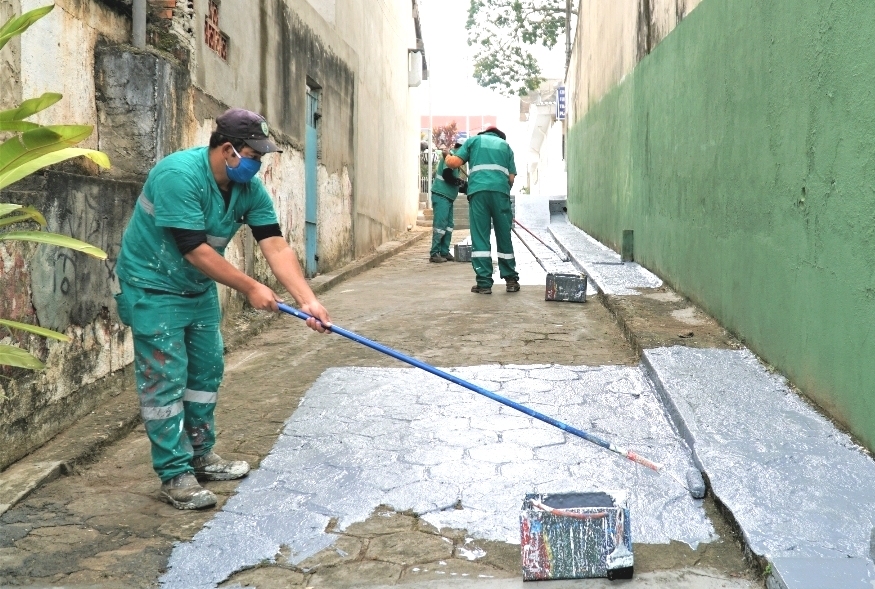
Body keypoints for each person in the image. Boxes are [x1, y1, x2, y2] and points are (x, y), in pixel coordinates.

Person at [114, 108, 331, 510]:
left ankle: (200, 454)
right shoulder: (178, 175)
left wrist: (308, 300)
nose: (257, 163)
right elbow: (194, 250)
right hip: (152, 286)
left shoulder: (247, 189)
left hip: (196, 288)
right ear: (228, 149)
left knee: (206, 371)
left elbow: (275, 244)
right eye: (253, 155)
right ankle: (174, 473)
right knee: (164, 379)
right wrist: (251, 287)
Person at [444, 126, 518, 294]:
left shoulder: (474, 141)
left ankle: (484, 284)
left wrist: (446, 155)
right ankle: (511, 281)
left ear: (484, 133)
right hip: (500, 193)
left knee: (480, 236)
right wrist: (501, 191)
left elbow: (453, 163)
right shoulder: (505, 146)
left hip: (478, 193)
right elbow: (511, 178)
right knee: (504, 236)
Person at [429, 142, 466, 263]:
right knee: (440, 225)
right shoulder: (450, 157)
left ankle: (444, 251)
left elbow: (453, 181)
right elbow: (447, 176)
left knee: (449, 226)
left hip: (448, 197)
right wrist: (459, 182)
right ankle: (434, 253)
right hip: (441, 195)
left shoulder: (455, 161)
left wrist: (464, 185)